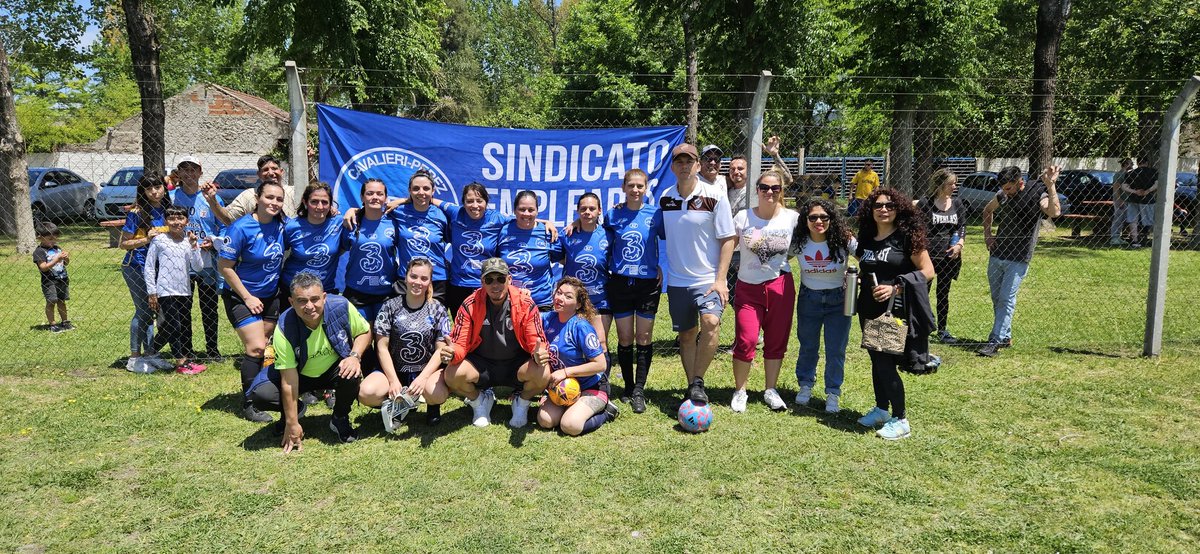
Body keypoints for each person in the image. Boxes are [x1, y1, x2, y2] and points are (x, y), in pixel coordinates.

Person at [247, 271, 370, 451]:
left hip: (332, 369)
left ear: (324, 297)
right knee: (261, 393)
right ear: (291, 302)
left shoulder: (342, 305)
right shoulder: (284, 326)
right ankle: (293, 412)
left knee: (351, 372)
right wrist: (292, 422)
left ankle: (340, 418)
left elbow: (364, 332)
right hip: (298, 374)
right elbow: (288, 381)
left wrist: (354, 356)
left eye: (314, 299)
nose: (309, 306)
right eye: (302, 301)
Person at [855, 188, 935, 440]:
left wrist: (896, 287)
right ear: (871, 210)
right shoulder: (867, 238)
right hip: (868, 307)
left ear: (898, 209)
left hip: (893, 311)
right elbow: (869, 267)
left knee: (884, 362)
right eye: (878, 205)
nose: (884, 209)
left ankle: (900, 420)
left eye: (889, 205)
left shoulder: (906, 238)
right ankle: (881, 409)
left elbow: (928, 270)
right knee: (875, 360)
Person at [657, 143, 735, 404]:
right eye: (679, 162)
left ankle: (699, 379)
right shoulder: (665, 198)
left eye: (689, 161)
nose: (684, 166)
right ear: (672, 167)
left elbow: (728, 239)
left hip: (708, 280)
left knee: (711, 323)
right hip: (678, 281)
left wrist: (721, 279)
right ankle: (693, 387)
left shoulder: (715, 196)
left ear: (698, 166)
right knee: (687, 334)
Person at [441, 258, 550, 428]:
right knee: (451, 375)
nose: (495, 284)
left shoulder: (525, 303)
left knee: (542, 373)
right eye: (489, 280)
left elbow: (535, 339)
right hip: (482, 365)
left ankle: (521, 402)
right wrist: (453, 353)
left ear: (509, 280)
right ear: (482, 282)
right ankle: (480, 401)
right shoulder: (470, 304)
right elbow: (460, 343)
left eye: (500, 278)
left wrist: (539, 352)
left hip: (516, 364)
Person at [728, 170, 798, 413]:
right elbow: (726, 247)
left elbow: (816, 240)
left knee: (777, 340)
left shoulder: (792, 218)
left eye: (775, 188)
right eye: (764, 187)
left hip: (779, 285)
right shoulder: (742, 217)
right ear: (756, 189)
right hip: (748, 287)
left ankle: (771, 389)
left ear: (781, 192)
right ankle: (740, 390)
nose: (770, 192)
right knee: (746, 339)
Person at [219, 181, 288, 422]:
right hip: (241, 296)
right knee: (256, 347)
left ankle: (264, 393)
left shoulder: (282, 225)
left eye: (279, 199)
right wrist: (248, 297)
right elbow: (224, 267)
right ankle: (249, 402)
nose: (274, 203)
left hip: (270, 296)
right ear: (257, 198)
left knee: (264, 348)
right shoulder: (241, 228)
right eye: (269, 197)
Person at [978, 165, 1062, 358]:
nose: (1005, 193)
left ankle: (995, 341)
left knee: (1006, 299)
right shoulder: (1003, 195)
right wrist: (987, 236)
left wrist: (1051, 186)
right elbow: (987, 210)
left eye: (1009, 188)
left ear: (1020, 182)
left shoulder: (1036, 193)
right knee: (997, 298)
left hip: (1019, 257)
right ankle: (1006, 336)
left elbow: (1054, 212)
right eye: (1003, 189)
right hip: (998, 254)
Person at [360, 259, 452, 425]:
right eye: (413, 276)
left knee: (437, 393)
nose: (418, 282)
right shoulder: (389, 306)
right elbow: (381, 347)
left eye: (424, 278)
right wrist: (393, 380)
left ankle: (432, 405)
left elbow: (441, 350)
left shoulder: (438, 308)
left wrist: (423, 378)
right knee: (366, 393)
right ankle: (398, 405)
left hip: (426, 371)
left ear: (430, 282)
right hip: (395, 370)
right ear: (405, 277)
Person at [603, 169, 661, 414]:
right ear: (623, 187)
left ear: (646, 188)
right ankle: (627, 388)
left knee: (644, 338)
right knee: (625, 338)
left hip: (647, 284)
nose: (636, 190)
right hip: (620, 283)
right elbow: (598, 235)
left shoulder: (656, 214)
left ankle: (639, 390)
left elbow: (676, 237)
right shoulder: (613, 214)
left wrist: (661, 267)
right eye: (631, 186)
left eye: (640, 186)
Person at [791, 198, 856, 414]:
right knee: (808, 345)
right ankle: (806, 385)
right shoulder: (799, 241)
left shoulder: (844, 239)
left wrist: (859, 276)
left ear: (831, 219)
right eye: (813, 217)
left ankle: (833, 392)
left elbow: (868, 257)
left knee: (836, 348)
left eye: (824, 217)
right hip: (809, 299)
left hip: (839, 299)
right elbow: (779, 260)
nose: (819, 221)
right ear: (805, 220)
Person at [536, 277, 619, 435]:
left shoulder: (581, 327)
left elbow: (600, 365)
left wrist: (566, 372)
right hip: (562, 388)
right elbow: (527, 316)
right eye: (559, 293)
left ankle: (607, 412)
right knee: (545, 421)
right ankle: (567, 407)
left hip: (591, 387)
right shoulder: (548, 319)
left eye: (568, 296)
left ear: (578, 305)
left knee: (570, 426)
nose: (560, 298)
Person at [169, 155, 230, 360]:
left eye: (193, 169)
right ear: (179, 173)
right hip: (182, 259)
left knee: (209, 306)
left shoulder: (210, 197)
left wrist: (214, 241)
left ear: (200, 172)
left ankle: (212, 349)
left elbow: (223, 224)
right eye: (184, 169)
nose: (189, 173)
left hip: (206, 260)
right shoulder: (173, 198)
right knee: (183, 306)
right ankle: (187, 349)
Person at [119, 172, 173, 374]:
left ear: (163, 187)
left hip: (159, 268)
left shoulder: (168, 210)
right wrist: (146, 239)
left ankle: (150, 354)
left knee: (151, 311)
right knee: (143, 310)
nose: (154, 192)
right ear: (143, 191)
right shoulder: (137, 212)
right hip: (136, 266)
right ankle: (134, 358)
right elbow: (123, 243)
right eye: (148, 188)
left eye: (157, 187)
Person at [144, 206, 207, 374]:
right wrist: (152, 291)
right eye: (171, 218)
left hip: (184, 290)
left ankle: (152, 353)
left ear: (187, 221)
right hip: (165, 290)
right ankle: (180, 363)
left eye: (180, 218)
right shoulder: (159, 240)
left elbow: (198, 267)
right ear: (165, 221)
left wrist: (195, 246)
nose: (176, 222)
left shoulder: (189, 241)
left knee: (184, 326)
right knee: (175, 325)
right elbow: (149, 267)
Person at [559, 193, 612, 380]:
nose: (587, 212)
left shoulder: (608, 235)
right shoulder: (568, 235)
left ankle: (603, 386)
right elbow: (559, 257)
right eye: (583, 209)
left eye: (591, 208)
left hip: (600, 299)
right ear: (577, 211)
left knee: (600, 342)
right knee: (572, 343)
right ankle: (575, 382)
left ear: (599, 211)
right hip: (573, 303)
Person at [342, 179, 400, 325]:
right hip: (357, 291)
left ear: (386, 198)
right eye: (370, 193)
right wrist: (352, 210)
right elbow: (339, 250)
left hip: (386, 292)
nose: (375, 197)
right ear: (362, 197)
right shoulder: (351, 222)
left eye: (380, 194)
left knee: (383, 341)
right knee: (362, 340)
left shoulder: (394, 223)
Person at [919, 169, 967, 343]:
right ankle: (923, 326)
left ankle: (943, 330)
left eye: (955, 183)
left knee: (943, 294)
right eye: (951, 184)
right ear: (940, 184)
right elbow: (918, 229)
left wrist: (959, 244)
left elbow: (961, 226)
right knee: (923, 292)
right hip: (929, 257)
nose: (954, 187)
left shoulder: (957, 203)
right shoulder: (926, 203)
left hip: (950, 258)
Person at [390, 170, 450, 303]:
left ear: (433, 191)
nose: (421, 192)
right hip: (407, 278)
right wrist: (353, 210)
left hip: (436, 279)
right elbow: (373, 208)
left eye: (426, 188)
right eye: (416, 188)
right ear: (410, 191)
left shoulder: (443, 215)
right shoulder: (397, 212)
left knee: (434, 322)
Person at [498, 190, 563, 310]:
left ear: (537, 211)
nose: (526, 213)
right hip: (509, 301)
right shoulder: (503, 231)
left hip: (541, 302)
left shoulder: (547, 232)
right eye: (522, 209)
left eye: (531, 210)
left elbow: (564, 260)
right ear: (514, 211)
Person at [282, 182, 342, 293]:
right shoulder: (292, 227)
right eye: (314, 202)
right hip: (293, 289)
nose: (320, 207)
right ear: (305, 202)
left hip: (324, 289)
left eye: (324, 202)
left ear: (330, 205)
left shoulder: (339, 223)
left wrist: (353, 211)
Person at [224, 155, 298, 220]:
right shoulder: (248, 195)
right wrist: (213, 200)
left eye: (274, 168)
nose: (271, 173)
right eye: (265, 170)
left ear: (281, 171)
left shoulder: (293, 192)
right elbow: (228, 217)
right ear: (259, 174)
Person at [32, 222, 71, 333]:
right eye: (50, 239)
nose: (53, 241)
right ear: (40, 237)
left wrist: (66, 258)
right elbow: (43, 267)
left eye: (55, 238)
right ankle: (53, 324)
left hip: (62, 279)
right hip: (49, 281)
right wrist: (56, 260)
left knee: (61, 301)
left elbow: (65, 264)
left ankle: (65, 322)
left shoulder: (56, 248)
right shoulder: (39, 251)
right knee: (51, 301)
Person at [1122, 161, 1157, 248]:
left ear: (1138, 163)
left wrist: (1135, 191)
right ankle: (1144, 237)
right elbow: (1157, 184)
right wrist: (1147, 191)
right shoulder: (1153, 172)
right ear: (1147, 163)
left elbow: (1124, 186)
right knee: (1148, 218)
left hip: (1133, 199)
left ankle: (1135, 240)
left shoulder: (1131, 173)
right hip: (1148, 199)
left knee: (1133, 219)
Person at [1109, 158, 1133, 246]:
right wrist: (1119, 199)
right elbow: (1116, 188)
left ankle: (1119, 237)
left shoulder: (1127, 175)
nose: (1132, 165)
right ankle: (1114, 237)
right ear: (1126, 164)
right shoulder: (1119, 175)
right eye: (1131, 163)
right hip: (1120, 200)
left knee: (1123, 219)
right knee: (1118, 218)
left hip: (1127, 200)